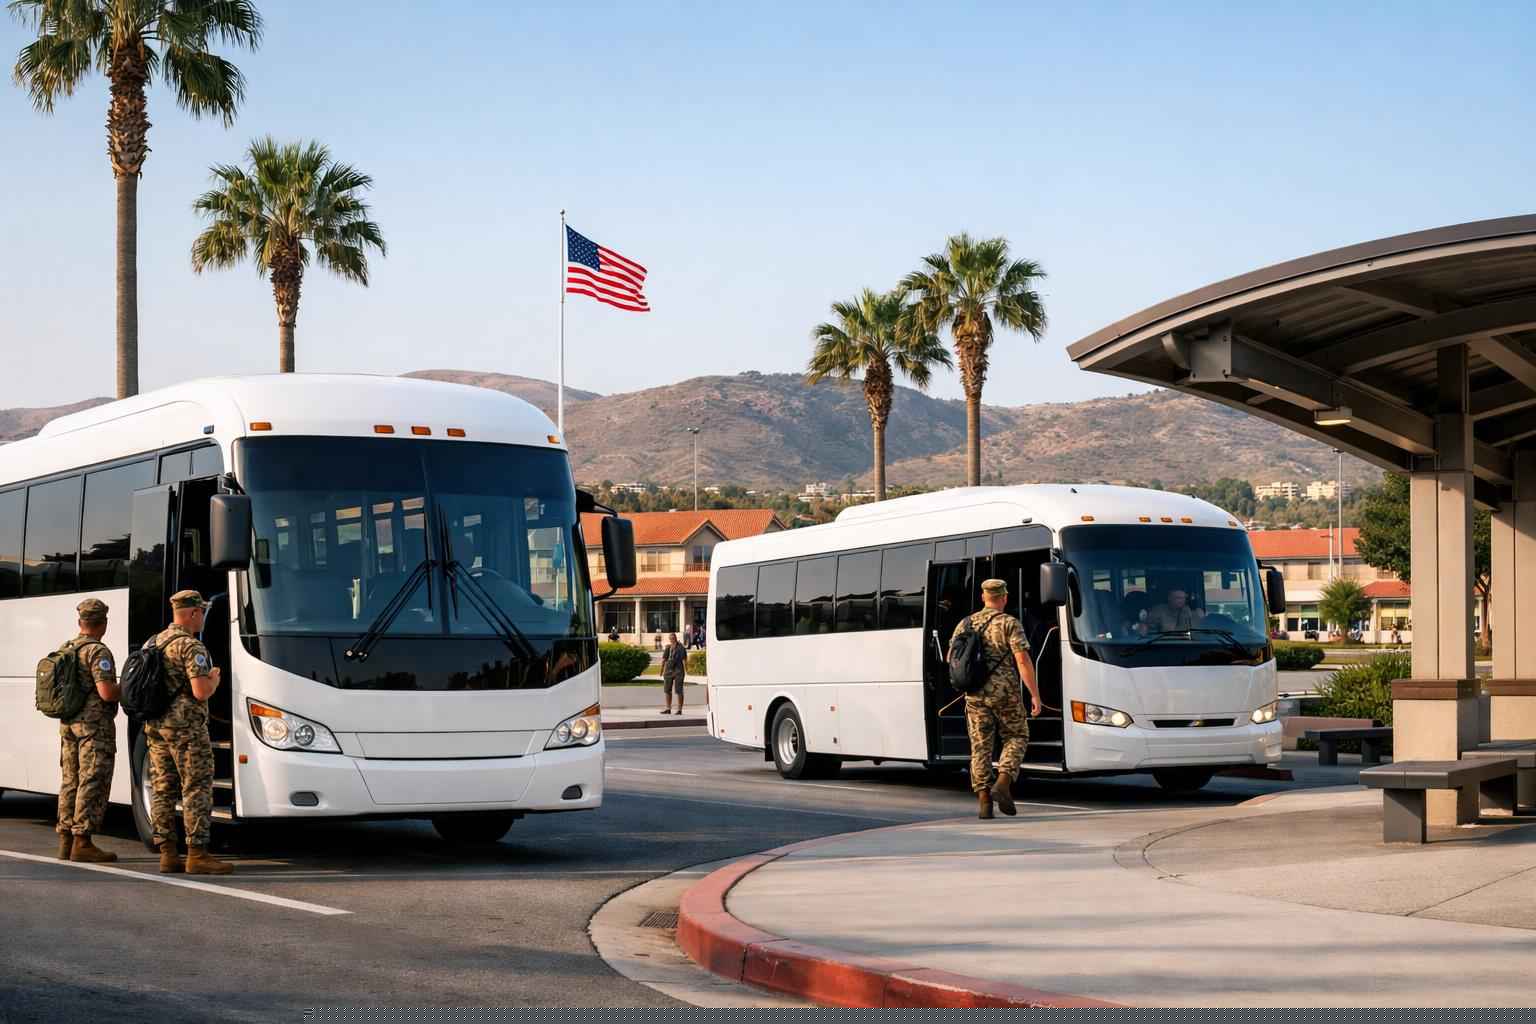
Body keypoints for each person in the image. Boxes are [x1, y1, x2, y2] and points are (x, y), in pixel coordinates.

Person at [143, 590, 232, 876]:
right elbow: (200, 691)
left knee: (162, 789)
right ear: (193, 613)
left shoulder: (153, 642)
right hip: (186, 730)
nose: (204, 617)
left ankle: (168, 854)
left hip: (156, 727)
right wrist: (214, 680)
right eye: (202, 612)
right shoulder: (191, 647)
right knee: (196, 787)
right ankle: (197, 854)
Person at [949, 579, 1042, 820]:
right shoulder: (1009, 623)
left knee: (980, 746)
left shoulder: (964, 623)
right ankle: (1003, 781)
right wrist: (1034, 694)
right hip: (1005, 693)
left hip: (974, 694)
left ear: (983, 597)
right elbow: (1022, 660)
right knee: (1017, 735)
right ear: (1005, 597)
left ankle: (984, 803)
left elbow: (952, 656)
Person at [54, 598, 121, 863]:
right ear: (103, 623)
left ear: (79, 622)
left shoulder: (66, 648)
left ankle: (65, 840)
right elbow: (106, 692)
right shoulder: (97, 651)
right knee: (92, 780)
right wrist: (127, 689)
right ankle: (83, 841)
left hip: (68, 725)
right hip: (93, 728)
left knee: (70, 780)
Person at [660, 632, 687, 715]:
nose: (672, 639)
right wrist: (661, 670)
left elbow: (684, 659)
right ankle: (668, 708)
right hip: (668, 669)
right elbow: (664, 659)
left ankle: (679, 709)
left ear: (675, 638)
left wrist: (687, 669)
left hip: (678, 670)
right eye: (671, 638)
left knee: (679, 690)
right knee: (667, 690)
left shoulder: (681, 647)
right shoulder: (668, 648)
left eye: (673, 638)